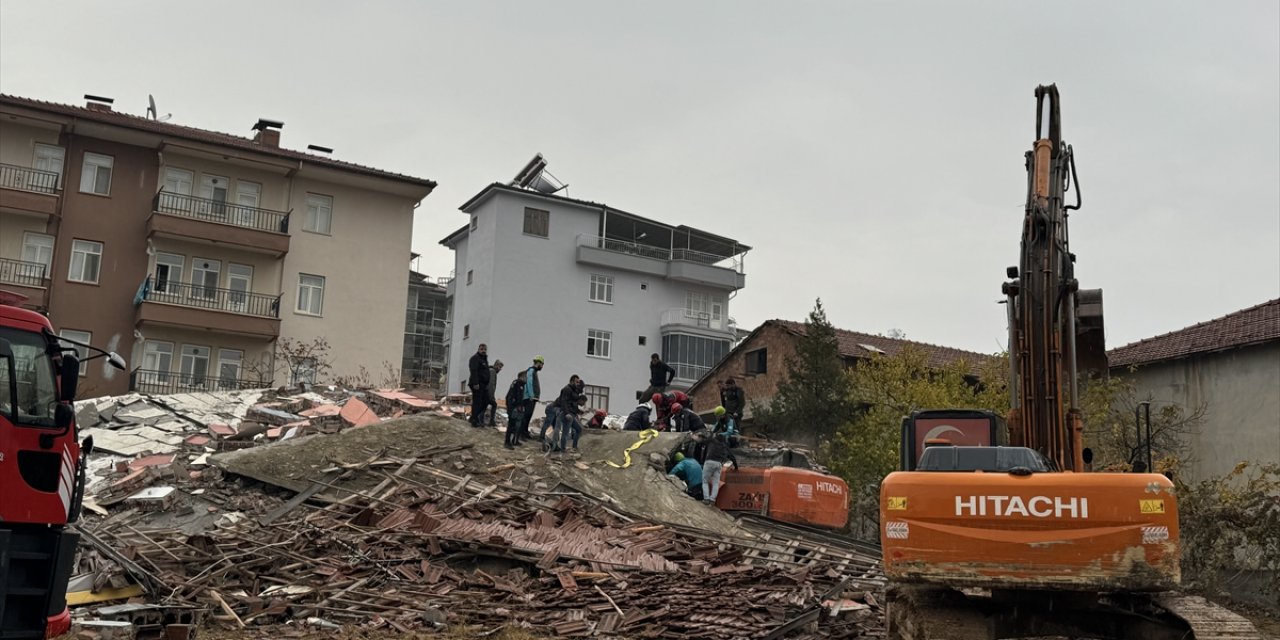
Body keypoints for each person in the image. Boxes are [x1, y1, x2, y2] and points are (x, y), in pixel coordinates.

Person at [699, 431, 738, 505]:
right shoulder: (725, 446)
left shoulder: (712, 441)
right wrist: (736, 467)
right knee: (716, 483)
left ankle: (706, 499)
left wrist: (700, 436)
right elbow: (732, 457)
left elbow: (703, 441)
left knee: (705, 481)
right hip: (719, 464)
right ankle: (712, 500)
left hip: (709, 462)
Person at [521, 356, 545, 439]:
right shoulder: (531, 371)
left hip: (532, 398)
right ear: (538, 363)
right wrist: (531, 395)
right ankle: (522, 433)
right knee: (526, 416)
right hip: (529, 398)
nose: (542, 366)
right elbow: (529, 383)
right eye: (542, 364)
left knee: (528, 416)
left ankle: (525, 432)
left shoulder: (534, 372)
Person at [503, 370, 528, 449]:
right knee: (511, 426)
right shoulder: (516, 384)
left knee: (518, 425)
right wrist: (510, 408)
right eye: (525, 377)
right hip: (513, 408)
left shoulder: (522, 385)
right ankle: (507, 442)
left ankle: (515, 441)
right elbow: (510, 397)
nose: (526, 378)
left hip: (519, 409)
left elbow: (520, 398)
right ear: (521, 377)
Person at [467, 344, 490, 427]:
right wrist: (476, 383)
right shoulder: (475, 358)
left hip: (484, 385)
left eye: (485, 349)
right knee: (477, 401)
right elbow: (474, 371)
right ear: (478, 349)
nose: (483, 351)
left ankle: (474, 416)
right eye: (482, 349)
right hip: (477, 384)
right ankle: (474, 420)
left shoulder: (484, 359)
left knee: (486, 401)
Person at [484, 360, 504, 426]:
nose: (500, 369)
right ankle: (491, 421)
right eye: (499, 367)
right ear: (496, 365)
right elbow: (491, 385)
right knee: (493, 405)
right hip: (487, 393)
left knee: (484, 407)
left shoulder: (490, 370)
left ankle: (482, 420)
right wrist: (491, 396)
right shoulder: (492, 372)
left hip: (485, 392)